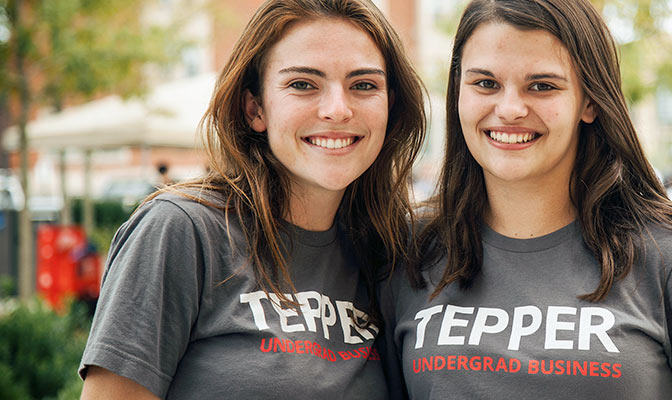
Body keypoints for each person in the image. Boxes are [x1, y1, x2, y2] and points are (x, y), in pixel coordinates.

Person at [379, 0, 672, 398]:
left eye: (542, 86)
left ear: (589, 101)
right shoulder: (408, 251)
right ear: (458, 94)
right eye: (485, 83)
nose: (510, 109)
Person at [79, 0, 426, 398]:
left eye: (363, 85)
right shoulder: (182, 231)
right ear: (254, 108)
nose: (337, 109)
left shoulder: (389, 252)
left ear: (390, 106)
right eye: (303, 84)